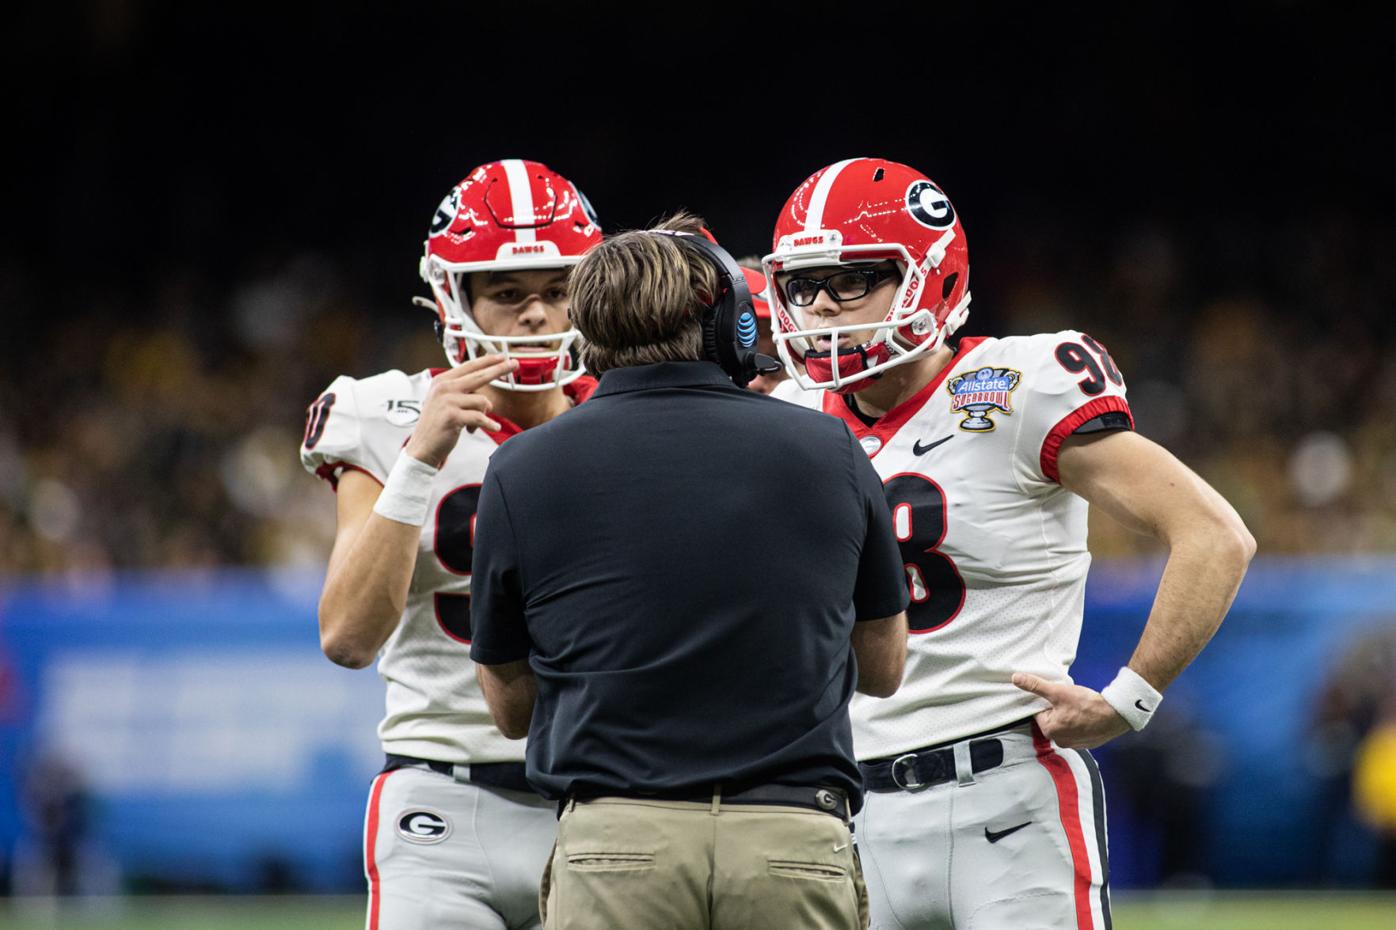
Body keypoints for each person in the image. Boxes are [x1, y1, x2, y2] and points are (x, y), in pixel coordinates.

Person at [763, 157, 1256, 930]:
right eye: (805, 285)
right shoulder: (783, 414)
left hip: (1005, 799)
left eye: (855, 277)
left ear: (931, 278)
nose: (825, 306)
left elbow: (1214, 534)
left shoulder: (1016, 385)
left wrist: (1129, 699)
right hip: (843, 809)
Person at [468, 215, 910, 930]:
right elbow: (885, 667)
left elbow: (511, 711)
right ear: (734, 323)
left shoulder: (520, 467)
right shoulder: (827, 445)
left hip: (615, 843)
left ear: (587, 328)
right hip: (791, 835)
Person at [300, 158, 602, 930]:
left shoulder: (627, 421)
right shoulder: (385, 413)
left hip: (598, 798)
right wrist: (420, 459)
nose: (536, 315)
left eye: (556, 289)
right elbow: (346, 636)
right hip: (439, 797)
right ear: (453, 296)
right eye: (506, 293)